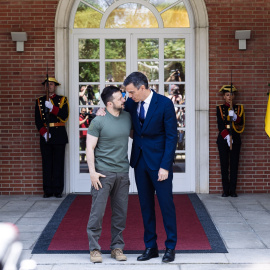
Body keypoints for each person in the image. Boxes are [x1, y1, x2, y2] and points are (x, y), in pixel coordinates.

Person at [123, 72, 178, 263]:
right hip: (140, 161)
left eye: (131, 92)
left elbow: (172, 137)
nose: (129, 96)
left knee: (166, 205)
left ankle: (170, 247)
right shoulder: (131, 103)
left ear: (142, 88)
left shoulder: (164, 104)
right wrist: (103, 110)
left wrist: (165, 166)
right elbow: (116, 107)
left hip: (159, 164)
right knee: (146, 206)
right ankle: (150, 246)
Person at [86, 86, 132, 263]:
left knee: (120, 213)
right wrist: (92, 173)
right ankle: (94, 249)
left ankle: (117, 247)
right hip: (102, 173)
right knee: (97, 212)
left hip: (122, 172)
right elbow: (89, 148)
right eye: (120, 97)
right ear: (109, 103)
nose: (123, 99)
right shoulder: (98, 121)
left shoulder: (128, 117)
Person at [35, 77, 69, 198]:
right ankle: (48, 190)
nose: (49, 86)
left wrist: (52, 108)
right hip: (46, 135)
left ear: (55, 86)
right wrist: (44, 132)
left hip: (59, 134)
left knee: (58, 163)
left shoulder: (62, 100)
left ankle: (58, 190)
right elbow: (38, 120)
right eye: (47, 84)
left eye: (51, 84)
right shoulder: (39, 101)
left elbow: (65, 116)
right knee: (47, 163)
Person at [216, 85, 245, 197]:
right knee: (224, 165)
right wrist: (227, 136)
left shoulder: (239, 108)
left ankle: (232, 190)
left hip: (236, 139)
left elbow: (241, 122)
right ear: (224, 96)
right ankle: (225, 190)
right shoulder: (219, 108)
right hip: (224, 140)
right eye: (227, 95)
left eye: (231, 94)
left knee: (234, 165)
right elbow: (220, 124)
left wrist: (235, 117)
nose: (230, 97)